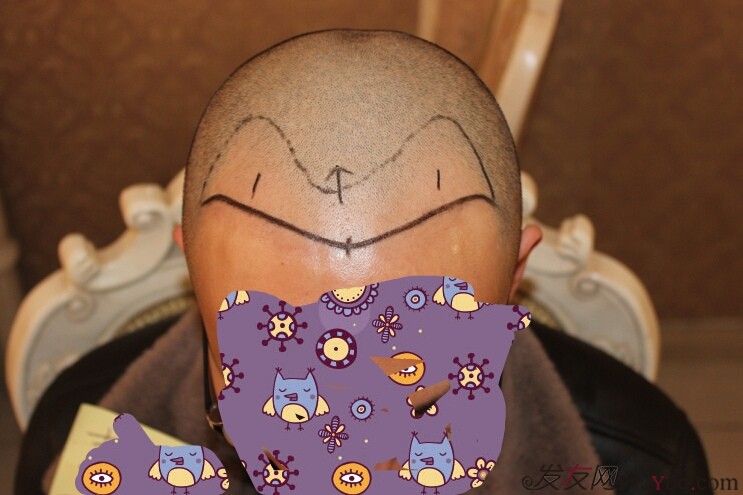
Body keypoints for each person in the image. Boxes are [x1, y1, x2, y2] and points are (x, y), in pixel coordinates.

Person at [27, 30, 709, 495]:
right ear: (193, 274)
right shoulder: (76, 439)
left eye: (414, 395)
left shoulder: (642, 467)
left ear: (512, 281)